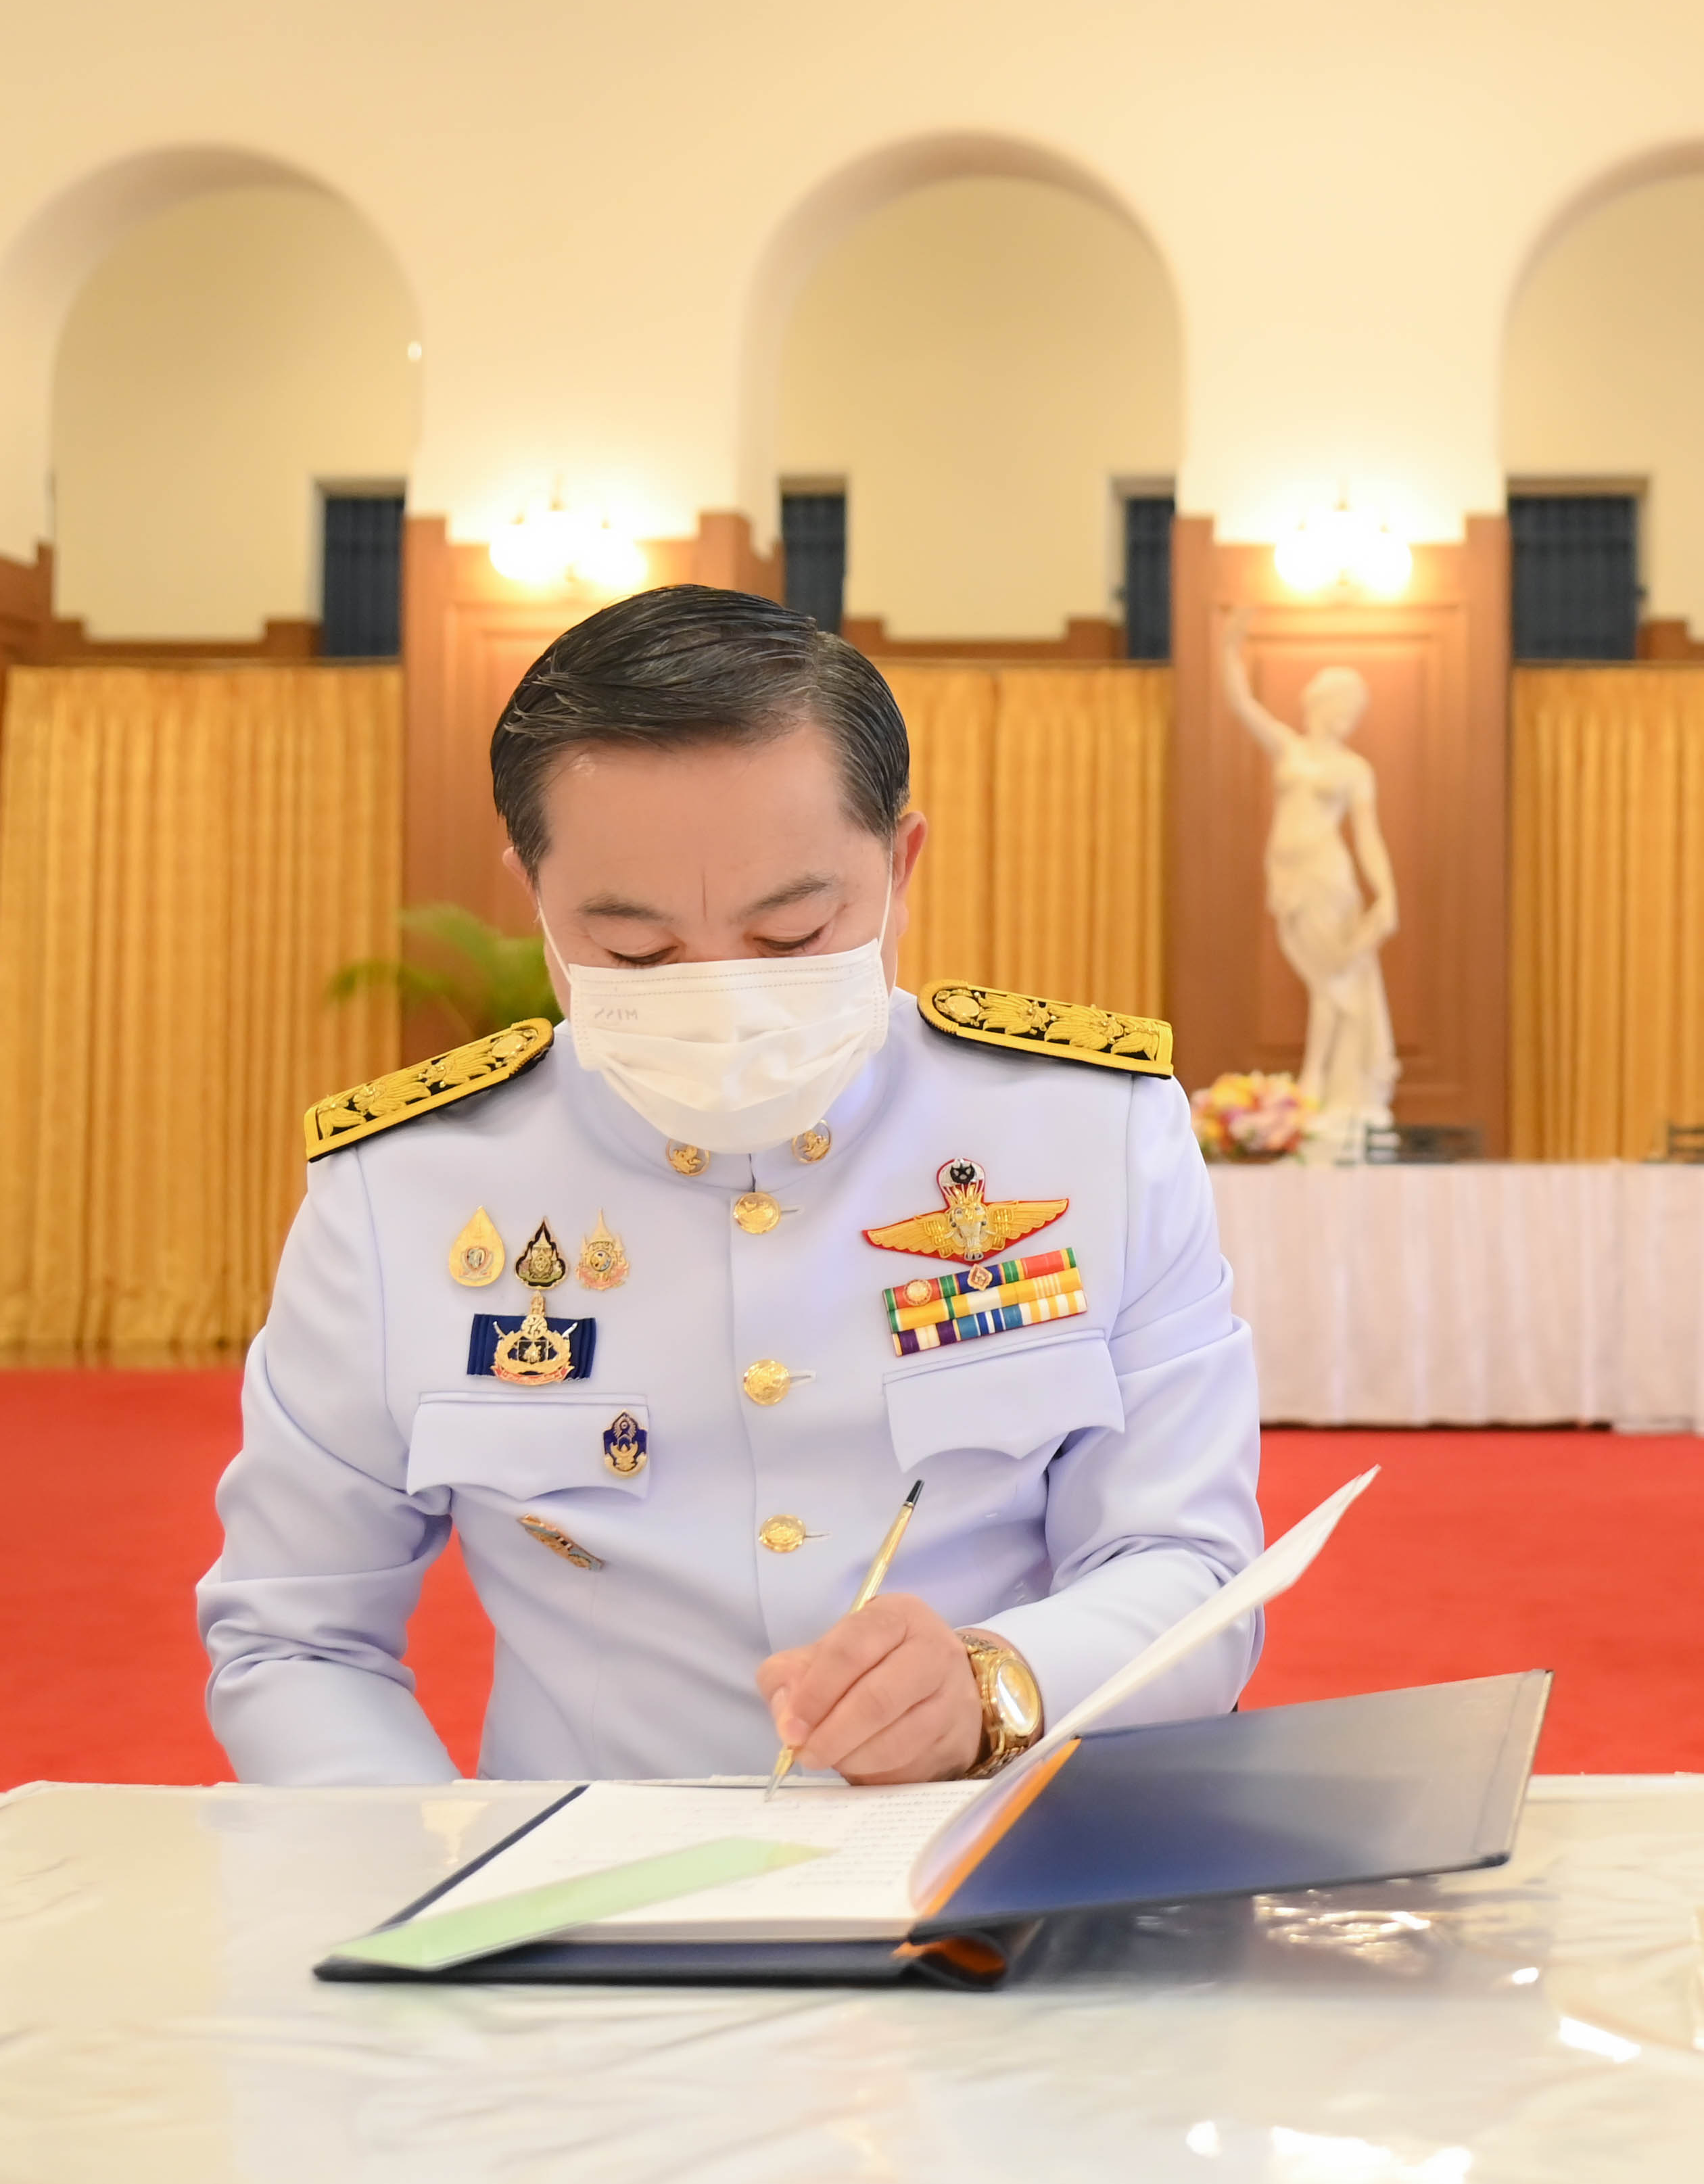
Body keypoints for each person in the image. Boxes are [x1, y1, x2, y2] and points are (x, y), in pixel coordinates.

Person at [198, 586, 1264, 1786]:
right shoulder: (405, 1186)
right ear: (536, 900)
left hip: (999, 1852)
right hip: (579, 1882)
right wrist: (440, 1874)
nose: (719, 999)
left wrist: (997, 1685)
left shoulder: (1088, 1129)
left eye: (792, 936)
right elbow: (296, 1635)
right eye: (635, 951)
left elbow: (1191, 1564)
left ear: (899, 866)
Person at [1216, 607, 1400, 1153]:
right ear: (1322, 703)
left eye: (1355, 710)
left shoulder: (1354, 769)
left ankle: (1319, 1088)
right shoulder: (1289, 747)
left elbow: (1368, 838)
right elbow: (1242, 705)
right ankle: (1323, 1090)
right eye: (1344, 706)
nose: (1349, 718)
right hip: (1288, 880)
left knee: (1334, 981)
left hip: (1328, 878)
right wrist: (1228, 648)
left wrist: (1387, 893)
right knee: (1329, 981)